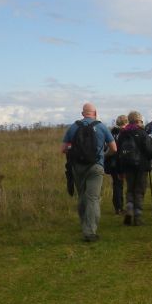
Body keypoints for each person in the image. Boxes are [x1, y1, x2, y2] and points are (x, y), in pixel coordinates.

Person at [61, 102, 116, 242]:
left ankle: (84, 224)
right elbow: (114, 148)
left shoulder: (73, 127)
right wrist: (104, 155)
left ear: (82, 114)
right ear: (95, 113)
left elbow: (63, 149)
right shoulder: (101, 126)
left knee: (82, 196)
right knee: (93, 198)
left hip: (77, 167)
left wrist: (75, 152)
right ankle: (90, 231)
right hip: (96, 166)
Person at [115, 111, 152, 226]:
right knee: (139, 190)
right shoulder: (143, 133)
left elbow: (118, 153)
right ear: (139, 120)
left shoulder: (123, 134)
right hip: (141, 167)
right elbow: (149, 152)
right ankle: (137, 216)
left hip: (127, 166)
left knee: (130, 189)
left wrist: (119, 170)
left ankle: (129, 208)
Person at [104, 114, 127, 215]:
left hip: (111, 161)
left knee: (116, 184)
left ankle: (118, 207)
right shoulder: (125, 133)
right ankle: (120, 207)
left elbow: (106, 146)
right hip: (121, 161)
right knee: (120, 184)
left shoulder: (111, 132)